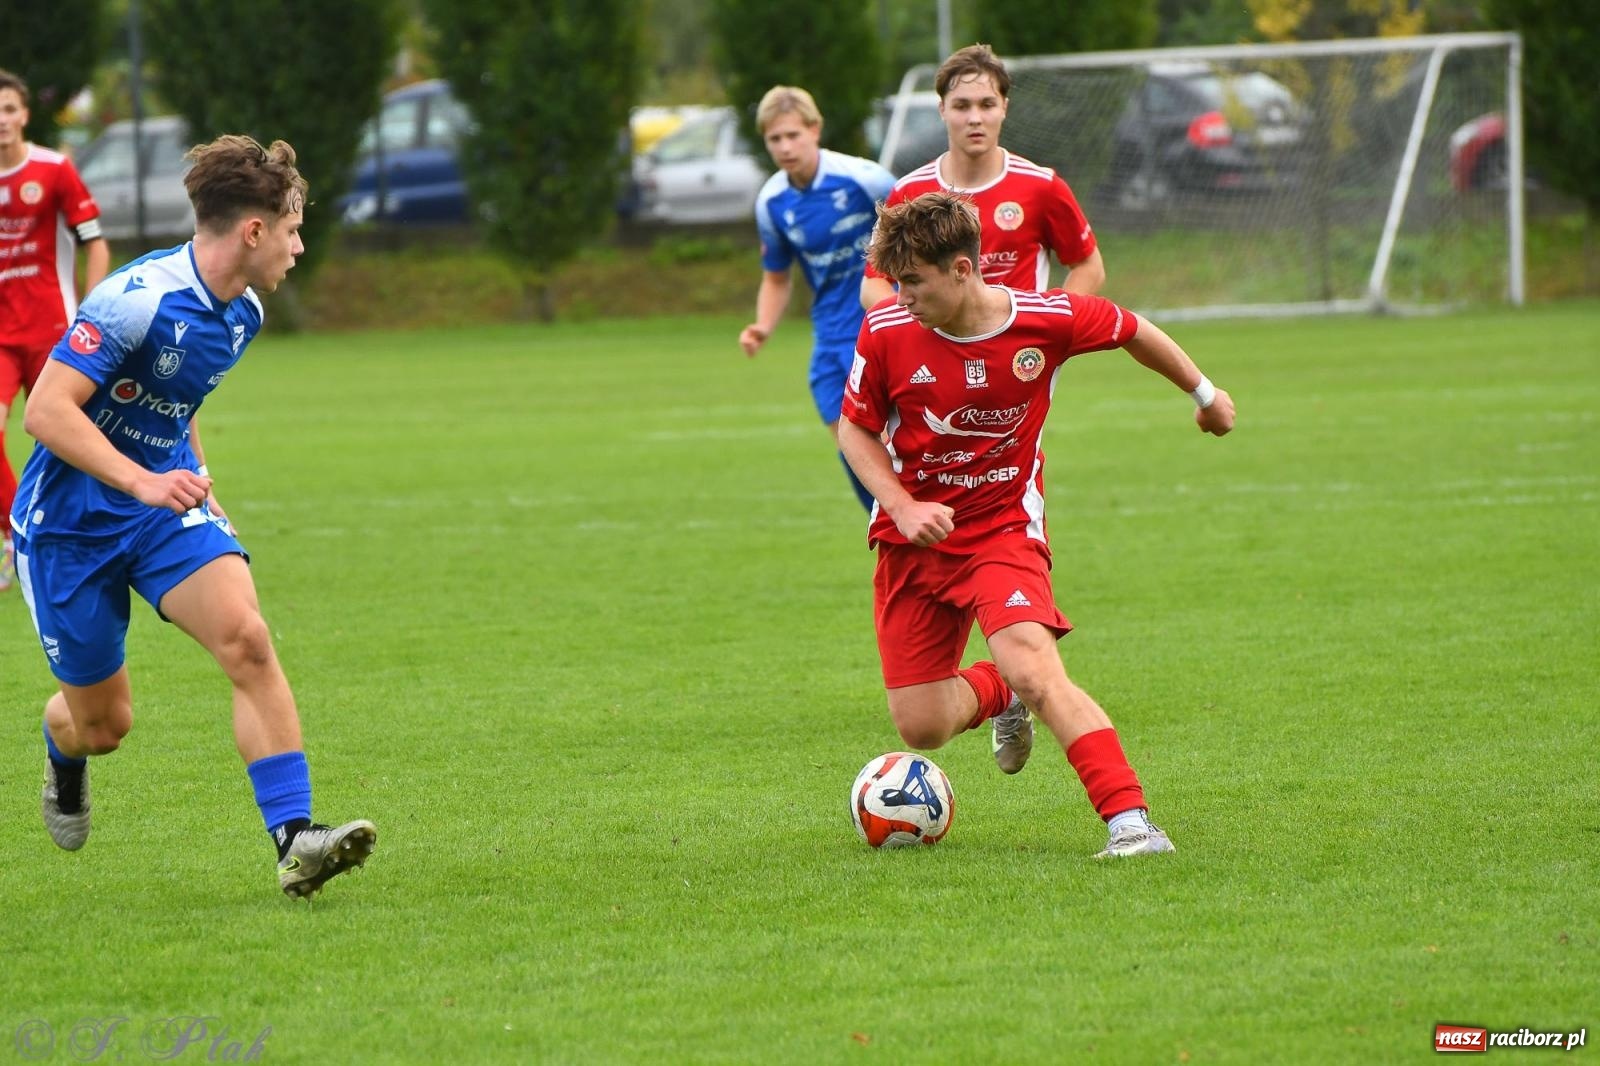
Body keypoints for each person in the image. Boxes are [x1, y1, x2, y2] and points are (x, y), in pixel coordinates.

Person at [10, 134, 376, 899]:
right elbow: (45, 412)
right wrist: (142, 480)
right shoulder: (135, 300)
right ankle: (62, 746)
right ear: (254, 231)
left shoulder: (242, 314)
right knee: (104, 726)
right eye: (292, 230)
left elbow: (180, 399)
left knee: (248, 639)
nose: (298, 247)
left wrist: (198, 480)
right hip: (69, 523)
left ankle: (296, 840)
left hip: (162, 511)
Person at [839, 192, 1235, 858]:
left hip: (1001, 528)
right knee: (922, 726)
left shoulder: (1045, 319)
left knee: (1036, 667)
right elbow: (856, 428)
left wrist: (1205, 395)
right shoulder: (885, 330)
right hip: (912, 540)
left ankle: (1131, 823)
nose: (899, 296)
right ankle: (1001, 692)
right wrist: (903, 506)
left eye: (912, 281)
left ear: (962, 269)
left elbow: (1133, 329)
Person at [738, 86, 896, 511]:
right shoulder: (772, 202)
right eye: (775, 139)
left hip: (881, 327)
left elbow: (916, 234)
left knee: (889, 445)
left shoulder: (866, 179)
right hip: (829, 340)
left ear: (815, 129)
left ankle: (916, 525)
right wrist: (763, 326)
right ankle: (888, 524)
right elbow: (776, 277)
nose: (785, 147)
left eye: (793, 135)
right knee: (853, 448)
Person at [859, 43, 1105, 311]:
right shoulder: (910, 191)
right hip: (936, 339)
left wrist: (1052, 321)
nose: (975, 118)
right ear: (942, 109)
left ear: (1004, 107)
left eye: (987, 104)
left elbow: (1089, 266)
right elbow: (874, 282)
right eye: (961, 106)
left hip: (1019, 339)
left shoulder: (1042, 186)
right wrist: (912, 327)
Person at [1, 68, 110, 592]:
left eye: (9, 110)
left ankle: (94, 536)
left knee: (73, 441)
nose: (1, 121)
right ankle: (14, 536)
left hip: (53, 331)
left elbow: (95, 242)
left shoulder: (54, 169)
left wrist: (94, 309)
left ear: (24, 115)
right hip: (1, 337)